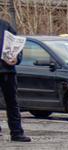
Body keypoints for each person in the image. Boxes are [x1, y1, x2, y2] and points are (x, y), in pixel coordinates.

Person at [0, 14, 30, 142]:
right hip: (6, 71)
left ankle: (17, 133)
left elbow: (17, 46)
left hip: (7, 71)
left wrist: (17, 58)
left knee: (12, 102)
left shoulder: (5, 26)